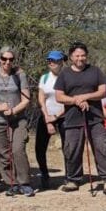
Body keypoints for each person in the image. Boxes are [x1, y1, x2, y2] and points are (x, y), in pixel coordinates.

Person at [54, 41, 106, 195]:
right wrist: (76, 100)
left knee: (102, 147)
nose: (80, 58)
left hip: (95, 118)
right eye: (77, 56)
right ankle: (73, 179)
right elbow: (59, 96)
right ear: (71, 57)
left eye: (83, 55)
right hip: (72, 119)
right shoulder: (64, 74)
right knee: (72, 149)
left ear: (86, 56)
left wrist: (85, 97)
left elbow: (103, 92)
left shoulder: (95, 71)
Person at [0, 46, 33, 196]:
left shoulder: (19, 75)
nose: (7, 62)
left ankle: (24, 183)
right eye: (4, 59)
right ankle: (11, 183)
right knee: (3, 153)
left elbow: (26, 99)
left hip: (18, 119)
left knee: (18, 150)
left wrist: (13, 110)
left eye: (11, 59)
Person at [35, 50, 67, 190]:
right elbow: (41, 98)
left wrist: (57, 116)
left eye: (54, 60)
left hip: (63, 116)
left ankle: (70, 175)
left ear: (61, 62)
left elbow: (69, 100)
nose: (51, 63)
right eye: (49, 60)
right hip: (46, 114)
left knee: (68, 147)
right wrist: (47, 117)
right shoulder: (44, 78)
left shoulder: (67, 77)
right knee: (40, 147)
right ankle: (44, 174)